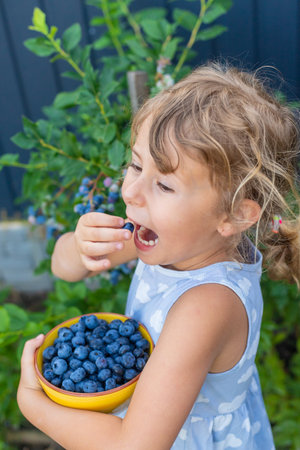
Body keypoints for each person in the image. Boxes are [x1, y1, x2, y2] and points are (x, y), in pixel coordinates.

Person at [17, 62, 300, 449]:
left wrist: (33, 404)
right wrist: (79, 247)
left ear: (233, 214)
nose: (131, 192)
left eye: (164, 185)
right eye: (135, 164)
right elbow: (63, 269)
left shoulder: (207, 307)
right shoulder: (172, 235)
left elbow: (134, 445)